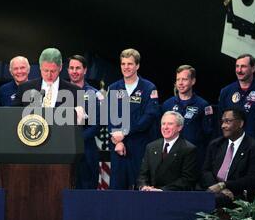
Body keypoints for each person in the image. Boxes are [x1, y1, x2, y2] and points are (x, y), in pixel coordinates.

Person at [108, 48, 161, 189]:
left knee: (141, 187)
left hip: (141, 145)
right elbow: (110, 118)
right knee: (117, 189)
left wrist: (125, 132)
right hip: (119, 146)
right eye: (123, 64)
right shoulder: (114, 88)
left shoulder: (149, 88)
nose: (126, 67)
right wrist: (116, 140)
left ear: (137, 65)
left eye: (130, 64)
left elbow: (149, 117)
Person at [200, 107, 255, 208]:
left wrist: (224, 185)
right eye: (222, 122)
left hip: (239, 195)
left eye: (228, 121)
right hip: (216, 191)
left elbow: (252, 179)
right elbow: (206, 171)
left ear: (240, 123)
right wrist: (219, 187)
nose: (223, 126)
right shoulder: (216, 145)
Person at [218, 54, 255, 148]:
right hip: (232, 146)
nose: (239, 70)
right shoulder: (226, 91)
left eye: (243, 66)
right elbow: (220, 120)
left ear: (253, 68)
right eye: (237, 66)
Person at [162, 65, 213, 169]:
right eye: (178, 79)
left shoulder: (203, 105)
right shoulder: (167, 104)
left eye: (184, 79)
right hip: (171, 157)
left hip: (195, 158)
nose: (180, 83)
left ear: (193, 81)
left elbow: (209, 134)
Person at [137, 111, 198, 191]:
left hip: (173, 197)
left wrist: (162, 190)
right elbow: (143, 174)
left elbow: (187, 180)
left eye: (170, 124)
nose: (165, 127)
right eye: (163, 124)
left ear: (179, 127)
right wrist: (143, 186)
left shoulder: (188, 149)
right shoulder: (151, 146)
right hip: (150, 195)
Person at [67, 55, 102, 189]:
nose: (74, 71)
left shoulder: (95, 94)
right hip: (63, 149)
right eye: (71, 68)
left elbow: (97, 124)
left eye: (78, 68)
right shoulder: (58, 93)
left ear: (85, 70)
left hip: (86, 149)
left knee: (87, 189)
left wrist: (77, 139)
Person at [13, 48, 80, 108]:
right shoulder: (24, 88)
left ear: (60, 68)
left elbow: (84, 120)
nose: (49, 75)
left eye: (53, 71)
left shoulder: (75, 92)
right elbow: (12, 115)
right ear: (40, 67)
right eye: (45, 70)